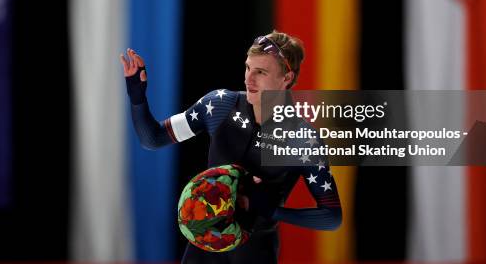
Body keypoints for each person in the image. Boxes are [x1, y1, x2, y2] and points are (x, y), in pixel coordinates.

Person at [120, 30, 342, 264]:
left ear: (286, 78)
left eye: (261, 72)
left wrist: (271, 211)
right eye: (248, 68)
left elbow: (332, 217)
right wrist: (137, 96)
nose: (249, 79)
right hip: (203, 248)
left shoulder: (301, 138)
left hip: (255, 252)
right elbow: (152, 139)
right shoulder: (220, 105)